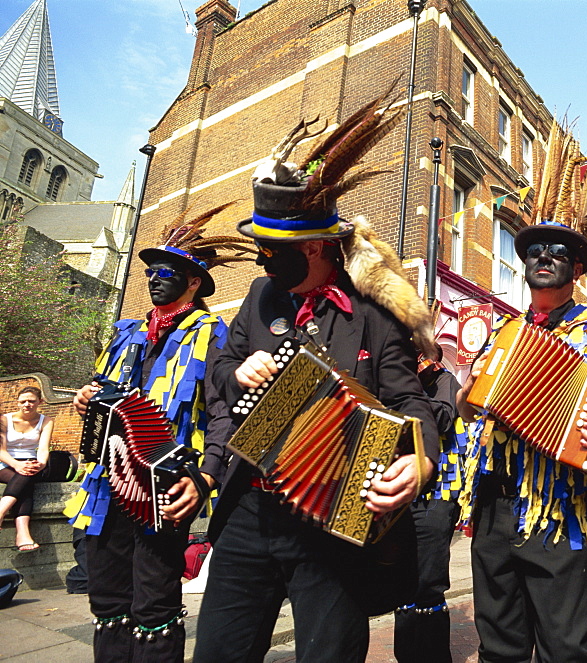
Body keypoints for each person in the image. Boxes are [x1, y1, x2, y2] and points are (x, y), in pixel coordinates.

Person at [194, 101, 438, 663]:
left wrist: (420, 461)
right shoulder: (260, 298)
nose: (262, 263)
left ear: (314, 247)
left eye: (272, 252)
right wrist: (238, 374)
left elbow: (409, 401)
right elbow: (218, 374)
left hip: (333, 524)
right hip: (248, 513)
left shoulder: (373, 315)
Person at [457, 121, 587, 661]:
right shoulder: (504, 332)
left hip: (562, 509)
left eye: (557, 252)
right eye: (534, 250)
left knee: (567, 647)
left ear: (578, 268)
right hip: (496, 503)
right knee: (498, 641)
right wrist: (465, 393)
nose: (543, 257)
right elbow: (466, 410)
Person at [65, 206, 250, 662]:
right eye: (151, 270)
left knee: (154, 601)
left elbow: (226, 415)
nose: (154, 277)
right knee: (106, 599)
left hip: (164, 488)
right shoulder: (125, 334)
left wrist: (206, 478)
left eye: (168, 271)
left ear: (194, 282)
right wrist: (86, 398)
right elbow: (103, 398)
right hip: (106, 483)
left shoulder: (212, 334)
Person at [394, 345, 467, 663]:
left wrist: (407, 392)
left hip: (437, 496)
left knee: (428, 584)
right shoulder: (389, 382)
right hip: (398, 498)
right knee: (399, 583)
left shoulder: (443, 380)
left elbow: (441, 419)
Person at [0, 386, 54, 552]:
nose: (27, 404)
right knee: (25, 478)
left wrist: (41, 464)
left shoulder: (46, 421)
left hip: (31, 461)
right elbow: (1, 450)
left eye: (31, 401)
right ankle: (22, 533)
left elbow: (43, 449)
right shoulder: (4, 420)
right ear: (17, 402)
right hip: (4, 462)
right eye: (23, 401)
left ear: (40, 402)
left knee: (28, 473)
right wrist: (17, 464)